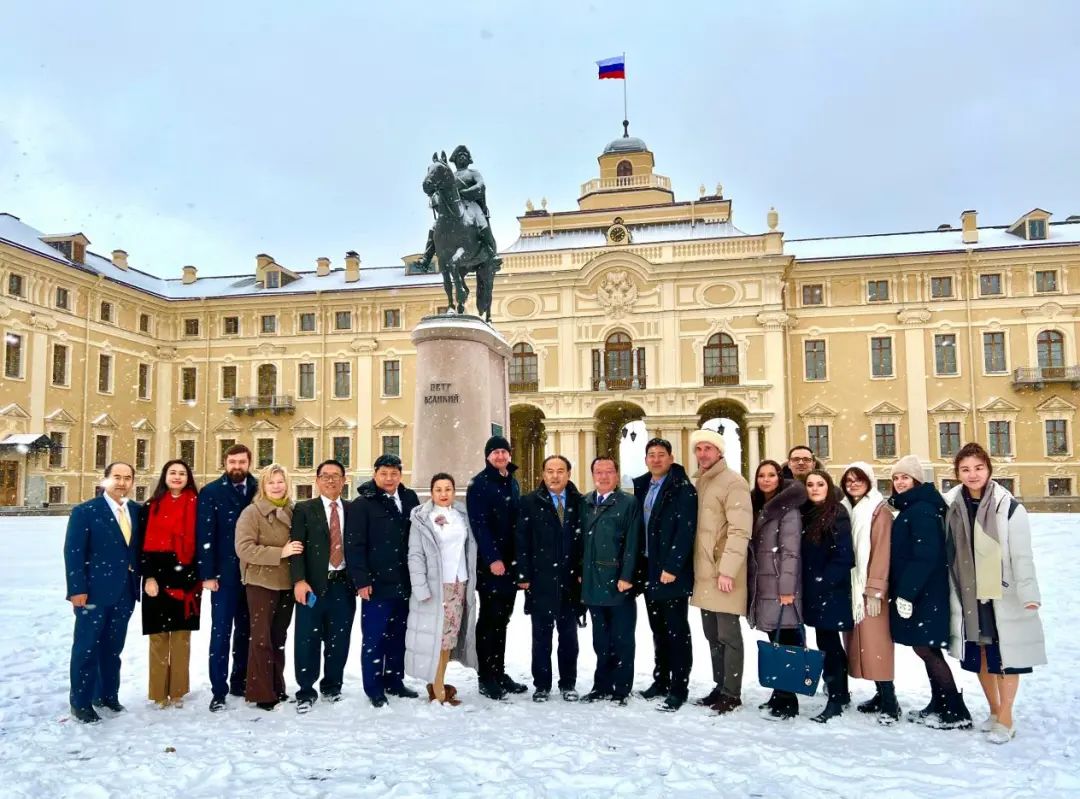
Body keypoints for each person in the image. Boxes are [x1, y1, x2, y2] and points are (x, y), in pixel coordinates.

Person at [943, 443, 1046, 744]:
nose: (972, 474)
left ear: (989, 469)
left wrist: (1029, 592)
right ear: (957, 474)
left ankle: (1007, 717)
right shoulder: (952, 506)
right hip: (968, 593)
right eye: (965, 469)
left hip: (1002, 592)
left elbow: (1022, 555)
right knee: (982, 655)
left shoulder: (1009, 507)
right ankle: (994, 709)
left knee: (1006, 656)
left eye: (978, 468)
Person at [888, 454, 972, 730]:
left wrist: (906, 593)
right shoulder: (916, 506)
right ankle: (941, 703)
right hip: (924, 591)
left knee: (926, 648)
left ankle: (954, 710)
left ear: (917, 480)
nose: (900, 482)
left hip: (925, 593)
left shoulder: (921, 509)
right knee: (925, 647)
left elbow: (925, 556)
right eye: (896, 478)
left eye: (905, 477)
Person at [64, 462, 142, 723]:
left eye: (127, 478)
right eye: (116, 477)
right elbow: (73, 552)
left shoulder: (136, 511)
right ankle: (81, 703)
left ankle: (107, 695)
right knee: (86, 648)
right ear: (106, 480)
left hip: (125, 592)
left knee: (112, 648)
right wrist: (76, 589)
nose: (122, 482)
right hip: (93, 593)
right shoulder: (86, 511)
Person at [346, 454, 421, 707]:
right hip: (376, 584)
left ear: (400, 475)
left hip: (404, 581)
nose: (389, 478)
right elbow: (354, 545)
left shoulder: (409, 498)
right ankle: (374, 687)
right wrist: (361, 580)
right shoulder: (363, 504)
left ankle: (394, 680)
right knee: (374, 639)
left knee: (398, 636)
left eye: (394, 473)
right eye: (384, 474)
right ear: (375, 474)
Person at [688, 428, 752, 715]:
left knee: (728, 635)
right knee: (712, 634)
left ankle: (732, 692)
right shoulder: (702, 482)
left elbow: (740, 530)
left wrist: (727, 570)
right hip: (705, 572)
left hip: (724, 573)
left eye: (708, 448)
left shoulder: (733, 482)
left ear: (720, 452)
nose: (703, 454)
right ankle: (720, 685)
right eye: (699, 449)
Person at [631, 438, 697, 712]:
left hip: (670, 572)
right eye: (651, 455)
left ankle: (679, 687)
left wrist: (672, 567)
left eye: (661, 455)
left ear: (671, 458)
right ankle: (661, 680)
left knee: (676, 630)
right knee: (658, 628)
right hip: (648, 568)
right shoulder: (643, 485)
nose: (656, 459)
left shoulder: (683, 489)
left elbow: (685, 531)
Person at [515, 455, 585, 703]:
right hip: (540, 580)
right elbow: (521, 540)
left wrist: (582, 572)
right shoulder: (529, 502)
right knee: (541, 637)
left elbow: (584, 541)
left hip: (570, 581)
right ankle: (542, 685)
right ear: (543, 474)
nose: (555, 476)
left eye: (560, 471)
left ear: (568, 474)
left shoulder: (579, 502)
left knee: (569, 637)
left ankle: (568, 683)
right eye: (550, 471)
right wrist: (523, 574)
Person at [405, 473, 479, 705]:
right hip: (436, 586)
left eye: (448, 489)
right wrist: (421, 587)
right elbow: (415, 555)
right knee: (436, 638)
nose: (444, 493)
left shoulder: (462, 515)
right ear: (431, 492)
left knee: (449, 638)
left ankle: (438, 681)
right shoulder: (422, 518)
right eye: (438, 489)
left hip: (459, 583)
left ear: (454, 492)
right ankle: (437, 689)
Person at [235, 464, 303, 711]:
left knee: (278, 637)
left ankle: (277, 686)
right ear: (263, 486)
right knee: (261, 638)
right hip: (261, 582)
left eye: (280, 481)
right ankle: (262, 692)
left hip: (286, 583)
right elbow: (243, 548)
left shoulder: (293, 511)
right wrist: (280, 552)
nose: (276, 486)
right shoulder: (252, 513)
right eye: (271, 482)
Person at [290, 459, 355, 713]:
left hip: (343, 586)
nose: (330, 480)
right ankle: (306, 691)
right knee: (307, 639)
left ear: (344, 481)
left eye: (336, 475)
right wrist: (299, 580)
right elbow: (296, 548)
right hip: (312, 586)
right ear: (317, 480)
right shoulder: (304, 509)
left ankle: (332, 686)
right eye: (325, 475)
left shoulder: (352, 509)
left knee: (339, 640)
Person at [196, 443, 258, 712]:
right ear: (225, 463)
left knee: (247, 631)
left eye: (241, 462)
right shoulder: (211, 492)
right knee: (221, 633)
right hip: (224, 576)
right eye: (232, 462)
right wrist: (208, 574)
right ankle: (218, 689)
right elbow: (205, 535)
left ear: (249, 463)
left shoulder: (258, 488)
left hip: (253, 574)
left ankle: (240, 681)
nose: (237, 467)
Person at [137, 459, 201, 709]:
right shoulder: (151, 507)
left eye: (182, 473)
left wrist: (199, 576)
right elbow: (141, 546)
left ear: (188, 478)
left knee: (182, 638)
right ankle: (158, 692)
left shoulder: (197, 505)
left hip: (188, 578)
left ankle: (178, 691)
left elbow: (202, 542)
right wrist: (149, 576)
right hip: (157, 577)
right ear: (165, 476)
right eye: (172, 472)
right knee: (158, 637)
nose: (177, 477)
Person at [465, 435, 525, 700]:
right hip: (492, 566)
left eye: (503, 451)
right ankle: (486, 676)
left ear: (509, 455)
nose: (500, 456)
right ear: (487, 456)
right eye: (495, 452)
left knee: (503, 619)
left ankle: (498, 672)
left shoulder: (511, 481)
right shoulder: (480, 484)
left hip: (510, 564)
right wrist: (492, 559)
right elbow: (480, 525)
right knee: (490, 620)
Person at [747, 459, 807, 720]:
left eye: (771, 475)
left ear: (779, 479)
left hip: (780, 586)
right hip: (764, 583)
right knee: (776, 639)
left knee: (787, 642)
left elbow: (790, 552)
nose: (766, 480)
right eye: (761, 475)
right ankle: (779, 694)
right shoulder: (758, 505)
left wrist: (786, 589)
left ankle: (788, 701)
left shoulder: (788, 509)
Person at [580, 456, 642, 705]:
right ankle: (601, 686)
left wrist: (627, 576)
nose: (603, 476)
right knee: (600, 640)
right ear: (592, 475)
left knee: (622, 639)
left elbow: (633, 542)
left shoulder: (628, 503)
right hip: (592, 582)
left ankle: (621, 688)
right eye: (599, 472)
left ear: (616, 475)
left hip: (618, 581)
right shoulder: (585, 502)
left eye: (609, 472)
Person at [840, 462, 899, 724]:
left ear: (869, 482)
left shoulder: (879, 510)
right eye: (849, 480)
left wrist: (875, 590)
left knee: (877, 646)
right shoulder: (848, 508)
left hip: (872, 590)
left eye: (859, 480)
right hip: (854, 587)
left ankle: (890, 701)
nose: (853, 484)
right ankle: (880, 694)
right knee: (862, 644)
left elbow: (882, 551)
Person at [800, 469, 855, 723]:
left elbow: (844, 556)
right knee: (826, 643)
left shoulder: (836, 513)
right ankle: (839, 693)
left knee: (829, 646)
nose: (814, 488)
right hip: (814, 590)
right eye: (810, 484)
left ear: (828, 487)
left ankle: (836, 698)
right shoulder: (807, 513)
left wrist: (823, 583)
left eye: (820, 484)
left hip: (830, 592)